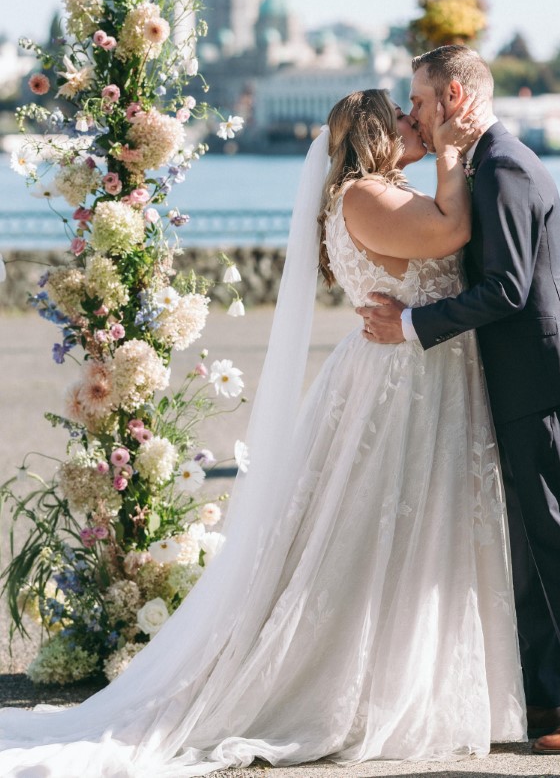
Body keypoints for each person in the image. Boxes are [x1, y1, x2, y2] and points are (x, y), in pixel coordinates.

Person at [0, 89, 526, 776]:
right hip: (402, 382)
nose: (413, 118)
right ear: (372, 133)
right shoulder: (364, 194)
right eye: (401, 113)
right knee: (376, 532)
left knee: (404, 535)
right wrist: (454, 152)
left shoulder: (375, 191)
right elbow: (450, 231)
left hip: (417, 375)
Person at [360, 45, 560, 755]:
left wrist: (414, 323)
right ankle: (541, 699)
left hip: (540, 377)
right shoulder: (486, 163)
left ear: (454, 95)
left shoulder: (505, 167)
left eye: (420, 101)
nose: (415, 117)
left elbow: (509, 287)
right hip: (522, 376)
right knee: (528, 544)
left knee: (554, 535)